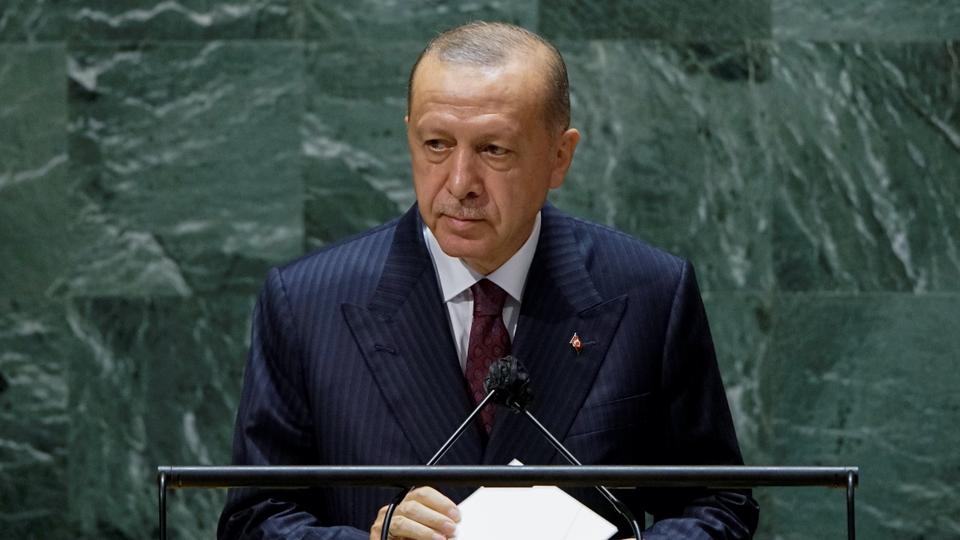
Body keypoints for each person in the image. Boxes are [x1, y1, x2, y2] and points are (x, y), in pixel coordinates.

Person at [218, 21, 759, 540]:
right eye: (436, 145)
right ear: (409, 136)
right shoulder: (307, 303)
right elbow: (254, 519)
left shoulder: (649, 293)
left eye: (493, 150)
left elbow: (719, 501)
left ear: (559, 156)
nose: (459, 182)